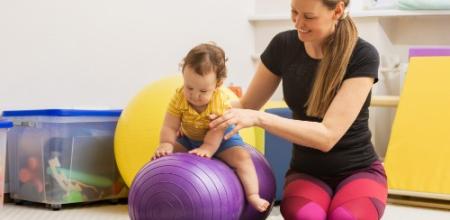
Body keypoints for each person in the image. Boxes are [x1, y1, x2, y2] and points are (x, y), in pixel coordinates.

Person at [209, 0, 388, 219]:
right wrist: (199, 110)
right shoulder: (282, 46)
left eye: (309, 16)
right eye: (294, 12)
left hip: (359, 172)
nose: (298, 23)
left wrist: (260, 119)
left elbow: (327, 136)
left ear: (337, 11)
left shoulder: (362, 54)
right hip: (307, 173)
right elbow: (246, 105)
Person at [152, 43, 270, 212]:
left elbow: (217, 130)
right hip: (189, 138)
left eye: (203, 91)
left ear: (218, 84)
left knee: (242, 159)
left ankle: (253, 195)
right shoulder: (179, 97)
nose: (195, 95)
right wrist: (166, 143)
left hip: (222, 138)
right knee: (163, 157)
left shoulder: (220, 101)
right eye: (189, 87)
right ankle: (160, 194)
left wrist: (207, 148)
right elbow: (170, 125)